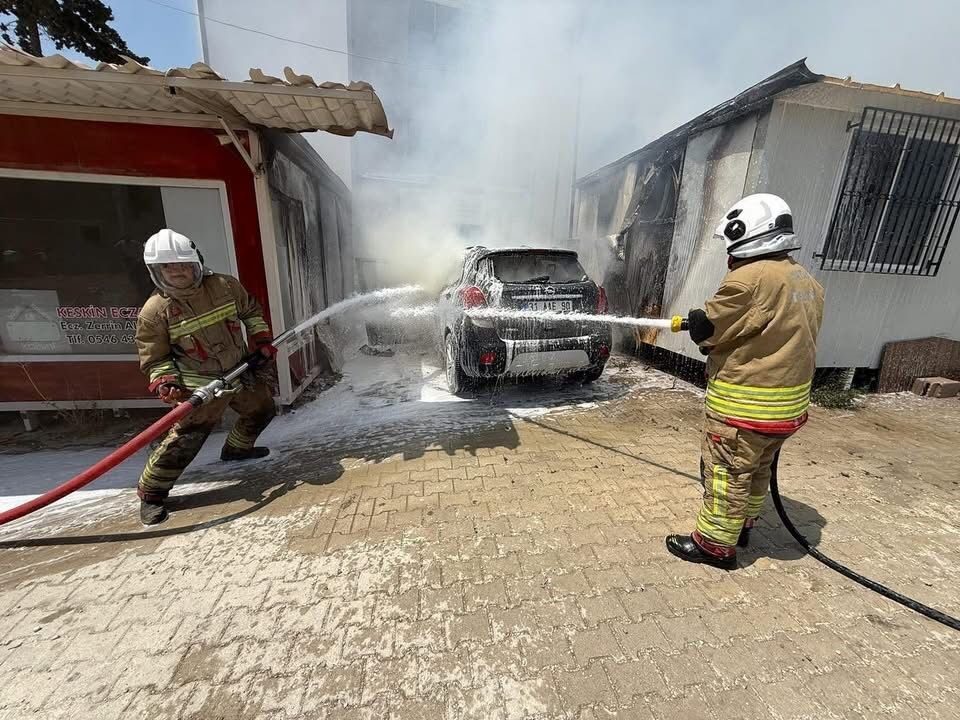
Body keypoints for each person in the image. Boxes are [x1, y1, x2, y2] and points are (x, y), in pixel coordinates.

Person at [666, 193, 824, 569]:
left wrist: (700, 323)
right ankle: (744, 526)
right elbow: (766, 329)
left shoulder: (748, 279)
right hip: (787, 408)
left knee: (726, 474)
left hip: (745, 407)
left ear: (747, 233)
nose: (728, 252)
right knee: (756, 469)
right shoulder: (803, 278)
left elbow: (713, 330)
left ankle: (714, 546)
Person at [134, 229, 278, 526]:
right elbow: (156, 358)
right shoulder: (155, 312)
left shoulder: (225, 286)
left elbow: (251, 311)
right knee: (187, 438)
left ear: (197, 263)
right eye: (168, 267)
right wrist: (166, 382)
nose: (178, 271)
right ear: (156, 271)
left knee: (262, 408)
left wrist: (261, 339)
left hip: (239, 370)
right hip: (199, 386)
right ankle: (152, 494)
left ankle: (236, 450)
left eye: (184, 265)